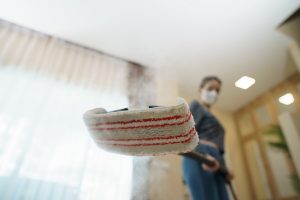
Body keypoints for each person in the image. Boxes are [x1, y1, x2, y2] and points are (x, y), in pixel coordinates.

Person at [182, 76, 234, 200]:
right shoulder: (195, 107)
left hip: (216, 159)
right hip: (199, 156)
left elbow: (219, 148)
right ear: (201, 89)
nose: (214, 93)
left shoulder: (210, 115)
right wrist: (203, 155)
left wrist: (225, 169)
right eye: (210, 88)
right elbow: (186, 134)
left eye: (217, 91)